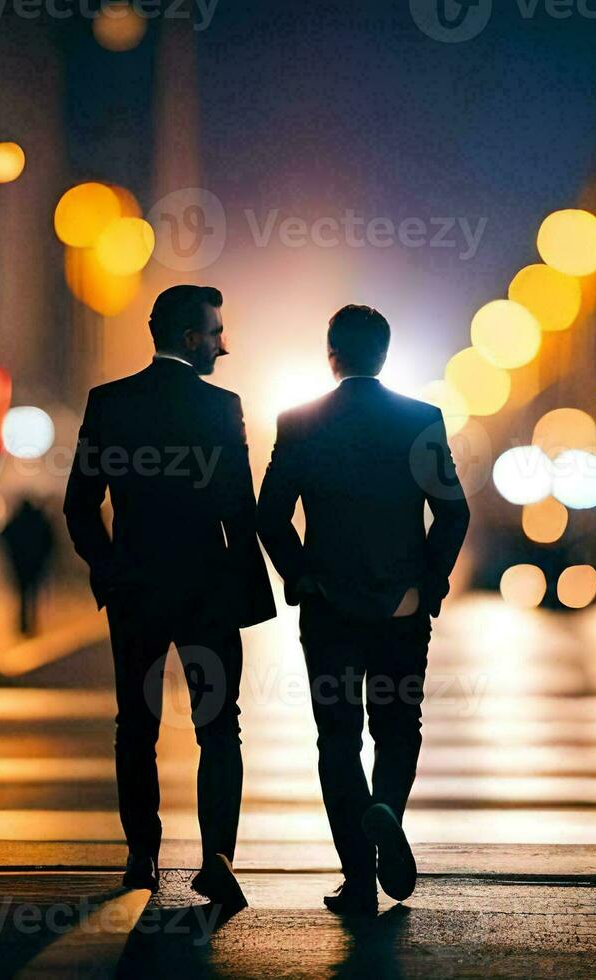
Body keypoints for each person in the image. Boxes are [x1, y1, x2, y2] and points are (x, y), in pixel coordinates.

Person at [64, 284, 275, 909]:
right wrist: (251, 593)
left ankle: (142, 856)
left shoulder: (109, 403)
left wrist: (109, 570)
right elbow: (240, 510)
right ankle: (218, 858)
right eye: (215, 332)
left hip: (136, 590)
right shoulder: (222, 407)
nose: (223, 343)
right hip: (207, 591)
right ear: (190, 337)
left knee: (136, 725)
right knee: (219, 726)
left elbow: (81, 505)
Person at [257, 305, 470, 916]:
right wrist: (427, 585)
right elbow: (453, 512)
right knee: (399, 727)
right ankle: (388, 814)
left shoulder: (299, 423)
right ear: (385, 353)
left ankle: (357, 877)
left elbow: (269, 515)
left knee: (337, 738)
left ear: (331, 353)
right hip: (401, 609)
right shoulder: (420, 419)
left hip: (328, 610)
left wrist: (301, 580)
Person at [2, 497, 55, 637]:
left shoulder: (16, 521)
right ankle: (31, 622)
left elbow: (7, 539)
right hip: (34, 563)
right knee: (33, 593)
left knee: (22, 594)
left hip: (20, 563)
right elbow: (48, 541)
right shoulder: (38, 522)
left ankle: (24, 624)